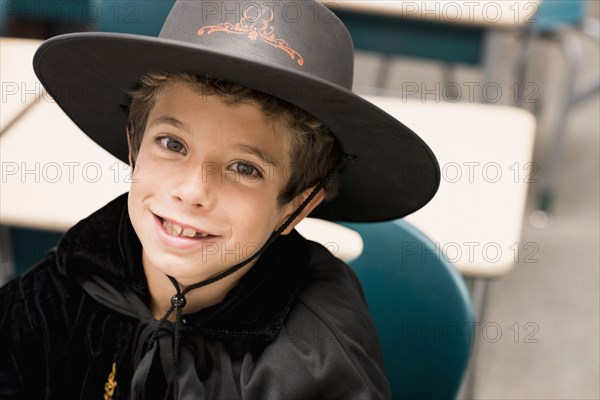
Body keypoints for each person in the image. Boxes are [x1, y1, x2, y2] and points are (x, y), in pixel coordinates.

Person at [0, 1, 440, 399]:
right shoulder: (72, 277)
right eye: (172, 144)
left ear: (298, 206)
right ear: (134, 147)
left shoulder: (311, 371)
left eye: (244, 168)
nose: (191, 192)